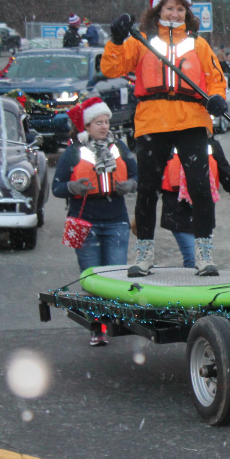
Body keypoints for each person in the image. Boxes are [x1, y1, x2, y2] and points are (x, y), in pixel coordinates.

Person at [101, 0, 227, 277]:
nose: (174, 13)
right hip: (152, 120)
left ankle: (204, 251)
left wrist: (218, 97)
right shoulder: (141, 40)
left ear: (187, 12)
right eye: (169, 7)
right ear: (159, 9)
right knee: (147, 187)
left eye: (180, 8)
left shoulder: (198, 43)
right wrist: (116, 40)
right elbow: (111, 68)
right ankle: (144, 252)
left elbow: (215, 77)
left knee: (199, 186)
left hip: (192, 119)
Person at [52, 97, 137, 345]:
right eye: (98, 122)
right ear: (86, 126)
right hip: (86, 223)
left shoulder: (119, 147)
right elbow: (56, 188)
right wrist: (73, 186)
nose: (103, 126)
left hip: (116, 221)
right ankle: (97, 328)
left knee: (114, 277)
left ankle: (113, 321)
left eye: (106, 121)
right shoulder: (73, 152)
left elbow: (135, 175)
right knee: (91, 279)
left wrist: (131, 184)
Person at [160, 137, 230, 268]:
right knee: (193, 259)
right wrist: (142, 218)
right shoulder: (168, 142)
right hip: (177, 214)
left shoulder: (212, 145)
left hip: (204, 214)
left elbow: (228, 177)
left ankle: (199, 282)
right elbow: (153, 180)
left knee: (203, 262)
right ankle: (193, 285)